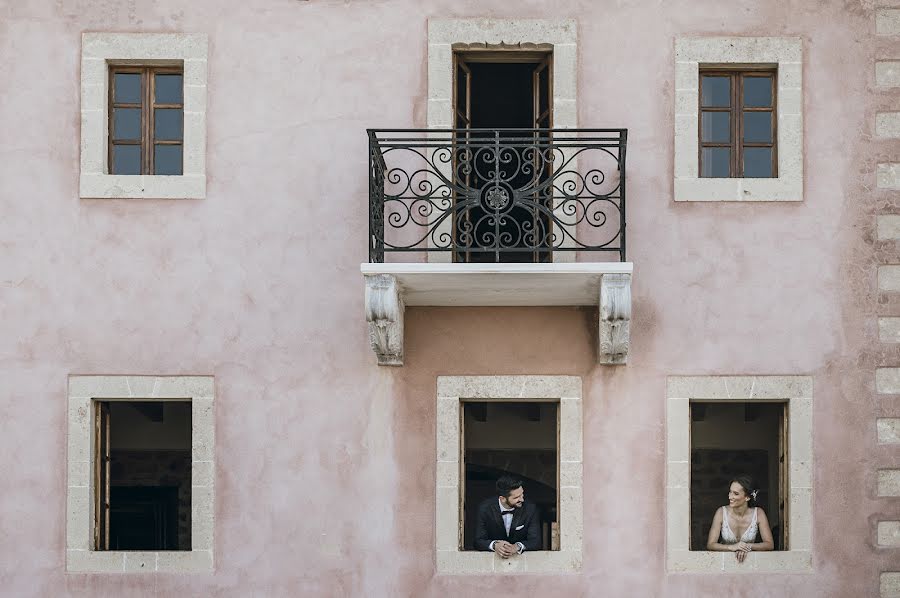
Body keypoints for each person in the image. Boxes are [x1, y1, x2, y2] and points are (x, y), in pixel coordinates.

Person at [706, 475, 775, 562]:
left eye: (736, 493)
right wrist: (732, 547)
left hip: (749, 562)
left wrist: (745, 546)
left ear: (747, 497)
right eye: (730, 492)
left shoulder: (758, 513)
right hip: (724, 561)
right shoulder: (721, 512)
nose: (730, 497)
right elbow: (711, 544)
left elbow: (769, 544)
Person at [474, 475, 541, 557]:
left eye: (522, 494)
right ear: (502, 498)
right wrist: (495, 545)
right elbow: (478, 541)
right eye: (516, 497)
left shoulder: (530, 508)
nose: (522, 499)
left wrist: (517, 546)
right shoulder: (485, 508)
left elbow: (536, 541)